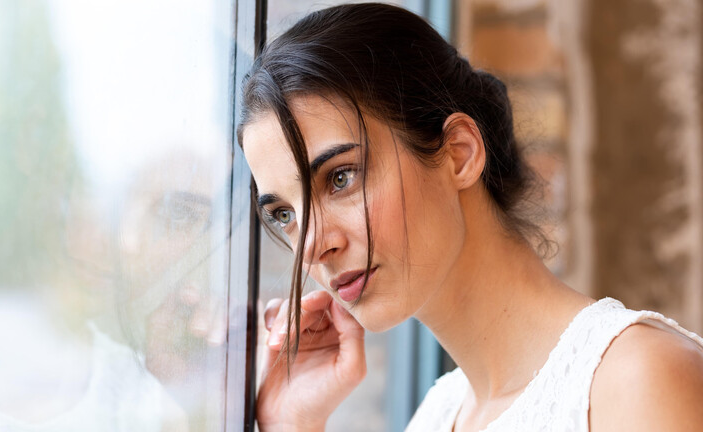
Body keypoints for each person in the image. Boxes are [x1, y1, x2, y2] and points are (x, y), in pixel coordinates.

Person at [238, 3, 703, 431]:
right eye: (284, 214)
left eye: (340, 178)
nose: (312, 247)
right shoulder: (437, 416)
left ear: (459, 154)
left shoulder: (637, 384)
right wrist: (293, 424)